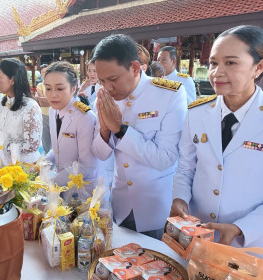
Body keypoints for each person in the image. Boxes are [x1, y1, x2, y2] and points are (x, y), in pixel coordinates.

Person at [171, 25, 263, 248]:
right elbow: (185, 167)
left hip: (249, 245)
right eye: (213, 63)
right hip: (197, 238)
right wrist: (179, 198)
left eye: (230, 62)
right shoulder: (196, 113)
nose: (216, 72)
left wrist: (243, 228)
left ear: (258, 68)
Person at [91, 34, 187, 239]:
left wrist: (119, 129)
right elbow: (99, 154)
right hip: (120, 204)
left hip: (155, 208)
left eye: (113, 79)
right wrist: (105, 131)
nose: (107, 87)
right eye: (102, 80)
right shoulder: (105, 98)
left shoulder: (169, 95)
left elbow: (165, 158)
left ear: (135, 68)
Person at [44, 61, 103, 193]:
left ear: (74, 88)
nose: (53, 94)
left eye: (59, 89)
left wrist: (52, 183)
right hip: (62, 187)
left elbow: (86, 166)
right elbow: (57, 148)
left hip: (82, 190)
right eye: (48, 88)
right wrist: (42, 165)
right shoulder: (53, 110)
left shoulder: (84, 117)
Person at [0, 58, 42, 165]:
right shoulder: (0, 105)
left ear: (13, 80)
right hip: (3, 164)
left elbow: (31, 145)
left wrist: (2, 145)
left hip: (25, 167)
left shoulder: (30, 107)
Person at [36, 64, 52, 154]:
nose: (44, 74)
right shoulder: (40, 85)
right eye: (42, 72)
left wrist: (47, 101)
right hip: (44, 115)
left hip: (55, 114)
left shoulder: (53, 85)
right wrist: (54, 102)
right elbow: (41, 102)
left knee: (56, 140)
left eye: (46, 72)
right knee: (45, 139)